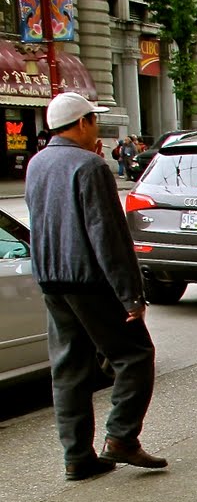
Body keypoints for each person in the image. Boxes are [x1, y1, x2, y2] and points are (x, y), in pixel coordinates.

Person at [24, 90, 164, 481]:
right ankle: (121, 437)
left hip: (52, 278)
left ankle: (77, 456)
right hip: (89, 278)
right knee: (134, 356)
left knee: (69, 367)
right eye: (94, 121)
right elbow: (108, 235)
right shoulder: (89, 166)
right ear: (83, 123)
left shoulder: (37, 164)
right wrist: (131, 295)